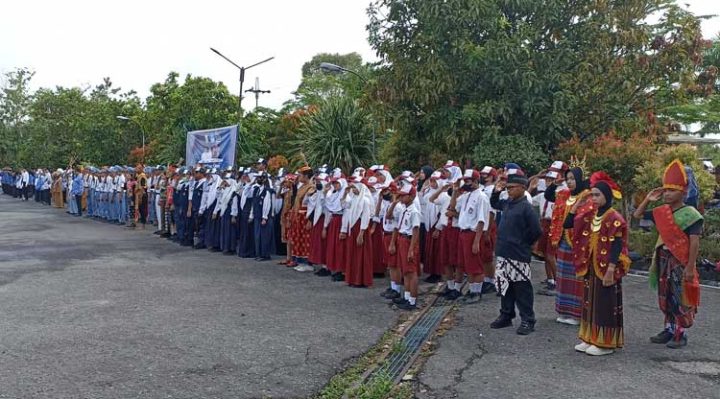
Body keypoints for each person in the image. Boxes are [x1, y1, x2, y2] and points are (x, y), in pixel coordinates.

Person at [633, 159, 703, 349]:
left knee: (679, 297)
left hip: (680, 261)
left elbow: (694, 242)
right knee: (665, 295)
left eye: (671, 190)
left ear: (683, 192)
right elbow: (637, 215)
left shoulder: (691, 214)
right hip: (663, 260)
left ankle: (681, 333)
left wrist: (690, 267)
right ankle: (669, 329)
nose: (666, 194)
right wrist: (648, 198)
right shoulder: (661, 211)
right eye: (664, 190)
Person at [569, 172, 630, 355]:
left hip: (606, 268)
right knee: (589, 302)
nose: (593, 198)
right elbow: (568, 224)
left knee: (604, 304)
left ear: (607, 196)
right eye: (592, 195)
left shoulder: (615, 218)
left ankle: (605, 343)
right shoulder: (591, 215)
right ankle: (589, 338)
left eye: (597, 195)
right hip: (591, 266)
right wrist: (576, 206)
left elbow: (617, 246)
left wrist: (611, 269)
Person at [490, 170, 543, 335]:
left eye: (511, 187)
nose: (509, 190)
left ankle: (528, 319)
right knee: (504, 286)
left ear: (522, 187)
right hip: (504, 252)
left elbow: (536, 231)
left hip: (518, 253)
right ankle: (506, 315)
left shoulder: (527, 207)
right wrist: (497, 190)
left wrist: (523, 242)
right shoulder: (507, 203)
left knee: (522, 289)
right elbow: (494, 203)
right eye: (507, 188)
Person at [546, 164, 593, 326]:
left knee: (576, 278)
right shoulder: (564, 195)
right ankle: (563, 310)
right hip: (563, 241)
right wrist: (555, 183)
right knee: (563, 276)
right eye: (568, 179)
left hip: (580, 243)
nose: (570, 182)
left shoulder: (587, 197)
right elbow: (548, 196)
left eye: (573, 179)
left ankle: (576, 313)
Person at [455, 169, 491, 304]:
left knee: (476, 264)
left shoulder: (481, 197)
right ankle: (471, 290)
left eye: (468, 181)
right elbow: (453, 207)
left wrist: (476, 241)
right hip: (463, 232)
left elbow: (481, 220)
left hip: (473, 233)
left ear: (476, 181)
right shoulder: (465, 196)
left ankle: (477, 291)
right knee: (467, 265)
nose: (466, 183)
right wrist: (455, 190)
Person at [390, 182, 422, 310]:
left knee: (411, 272)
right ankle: (407, 297)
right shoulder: (404, 209)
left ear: (411, 196)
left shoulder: (414, 211)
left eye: (404, 196)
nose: (401, 198)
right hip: (402, 239)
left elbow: (415, 230)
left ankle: (413, 301)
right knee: (406, 271)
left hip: (409, 240)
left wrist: (411, 249)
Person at [341, 176, 375, 287]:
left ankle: (361, 279)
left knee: (361, 255)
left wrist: (361, 233)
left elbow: (366, 217)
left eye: (355, 188)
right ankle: (353, 278)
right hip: (353, 228)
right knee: (353, 254)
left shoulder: (364, 200)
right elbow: (344, 205)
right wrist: (345, 193)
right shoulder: (354, 198)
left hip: (360, 229)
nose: (353, 190)